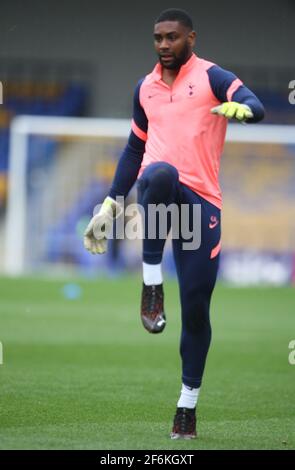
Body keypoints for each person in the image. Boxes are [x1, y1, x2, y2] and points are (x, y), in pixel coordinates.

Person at [84, 8, 264, 439]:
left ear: (191, 38)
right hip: (163, 192)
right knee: (159, 172)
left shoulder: (213, 77)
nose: (164, 45)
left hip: (202, 205)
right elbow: (133, 150)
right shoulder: (144, 88)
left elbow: (255, 105)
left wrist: (243, 111)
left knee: (198, 309)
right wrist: (110, 204)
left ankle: (187, 407)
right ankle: (151, 284)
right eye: (158, 38)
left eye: (172, 38)